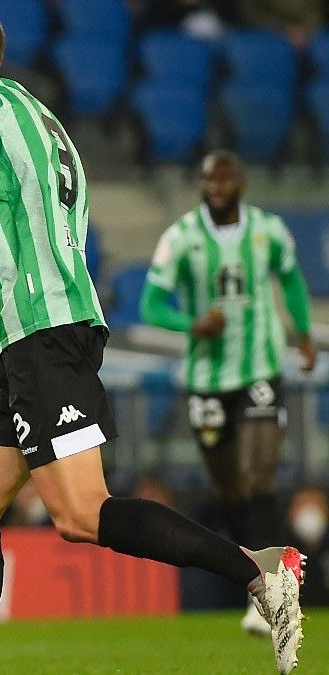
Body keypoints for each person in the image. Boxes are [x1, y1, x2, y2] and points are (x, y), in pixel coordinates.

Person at [0, 6, 306, 674]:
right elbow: (39, 247)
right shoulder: (37, 119)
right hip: (40, 334)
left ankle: (259, 568)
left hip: (44, 337)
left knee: (80, 513)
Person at [139, 150, 317, 635]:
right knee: (231, 489)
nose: (216, 184)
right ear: (200, 186)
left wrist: (302, 332)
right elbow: (151, 304)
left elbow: (291, 279)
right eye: (208, 178)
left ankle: (273, 591)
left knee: (257, 477)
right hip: (206, 381)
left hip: (260, 367)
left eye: (225, 176)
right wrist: (191, 324)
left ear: (241, 182)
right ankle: (259, 585)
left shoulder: (269, 231)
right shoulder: (181, 238)